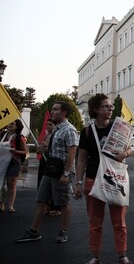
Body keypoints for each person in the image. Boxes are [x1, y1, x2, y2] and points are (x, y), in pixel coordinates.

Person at [75, 94, 134, 264]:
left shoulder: (119, 128)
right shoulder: (86, 132)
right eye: (105, 106)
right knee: (95, 222)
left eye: (110, 106)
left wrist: (126, 154)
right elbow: (81, 159)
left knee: (119, 221)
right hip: (93, 179)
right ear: (95, 110)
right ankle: (95, 256)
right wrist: (77, 181)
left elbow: (130, 148)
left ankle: (122, 255)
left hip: (116, 178)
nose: (110, 109)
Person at [15, 102, 78, 243]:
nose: (52, 111)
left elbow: (72, 153)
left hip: (62, 171)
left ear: (64, 113)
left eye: (55, 109)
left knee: (63, 202)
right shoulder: (56, 129)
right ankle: (34, 231)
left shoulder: (69, 130)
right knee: (41, 199)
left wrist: (66, 174)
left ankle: (63, 232)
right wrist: (44, 150)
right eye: (53, 109)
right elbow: (56, 150)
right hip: (50, 170)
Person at [0, 119, 27, 213]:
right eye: (9, 123)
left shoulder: (19, 137)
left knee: (11, 183)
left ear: (17, 127)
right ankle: (1, 203)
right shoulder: (2, 135)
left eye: (13, 124)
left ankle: (10, 205)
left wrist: (16, 151)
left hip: (14, 162)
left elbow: (25, 152)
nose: (10, 125)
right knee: (1, 183)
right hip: (1, 162)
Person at [37, 120, 61, 216]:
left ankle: (55, 207)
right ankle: (46, 205)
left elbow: (54, 149)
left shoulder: (55, 135)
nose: (48, 126)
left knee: (53, 185)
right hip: (44, 162)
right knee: (43, 184)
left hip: (52, 163)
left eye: (50, 124)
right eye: (47, 124)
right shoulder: (47, 135)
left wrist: (46, 147)